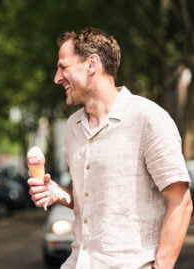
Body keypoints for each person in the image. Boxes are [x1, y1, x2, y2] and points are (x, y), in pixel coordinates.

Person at [28, 27, 193, 269]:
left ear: (91, 64)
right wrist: (58, 192)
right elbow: (93, 198)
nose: (57, 77)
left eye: (63, 67)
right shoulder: (73, 126)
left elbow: (181, 203)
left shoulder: (148, 119)